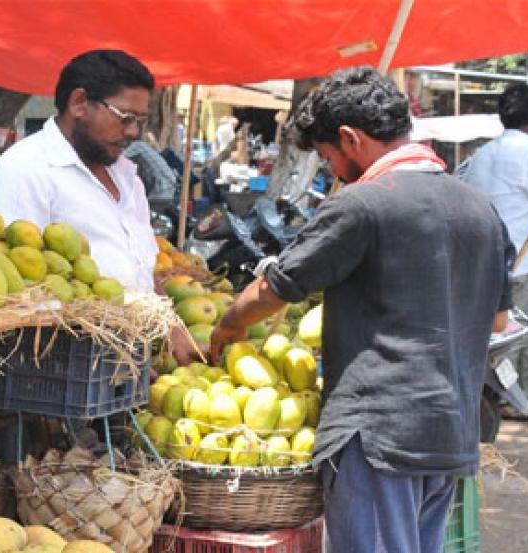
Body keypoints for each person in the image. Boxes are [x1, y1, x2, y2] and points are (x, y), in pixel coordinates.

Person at [207, 66, 511, 553]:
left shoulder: (362, 204)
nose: (331, 172)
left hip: (378, 437)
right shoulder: (481, 209)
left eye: (327, 158)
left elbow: (276, 289)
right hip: (451, 432)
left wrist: (226, 326)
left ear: (350, 138)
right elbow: (497, 321)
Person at [0, 50, 195, 362]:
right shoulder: (23, 173)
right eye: (125, 118)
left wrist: (173, 328)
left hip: (131, 369)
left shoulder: (127, 176)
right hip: (64, 372)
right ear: (78, 103)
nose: (133, 132)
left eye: (140, 121)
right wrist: (104, 362)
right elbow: (13, 296)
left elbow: (142, 269)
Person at [457, 83, 528, 414]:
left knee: (524, 325)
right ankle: (507, 399)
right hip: (522, 259)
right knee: (516, 333)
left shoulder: (483, 154)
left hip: (486, 257)